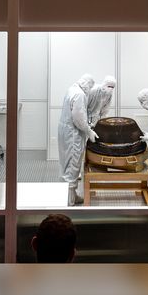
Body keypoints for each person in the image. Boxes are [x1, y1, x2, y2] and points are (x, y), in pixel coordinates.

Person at [58, 74, 98, 205]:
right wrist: (88, 130)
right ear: (87, 84)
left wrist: (87, 125)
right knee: (73, 165)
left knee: (66, 164)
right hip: (73, 135)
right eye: (90, 87)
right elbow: (79, 119)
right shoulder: (80, 94)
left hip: (65, 131)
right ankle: (70, 202)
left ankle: (70, 196)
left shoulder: (71, 89)